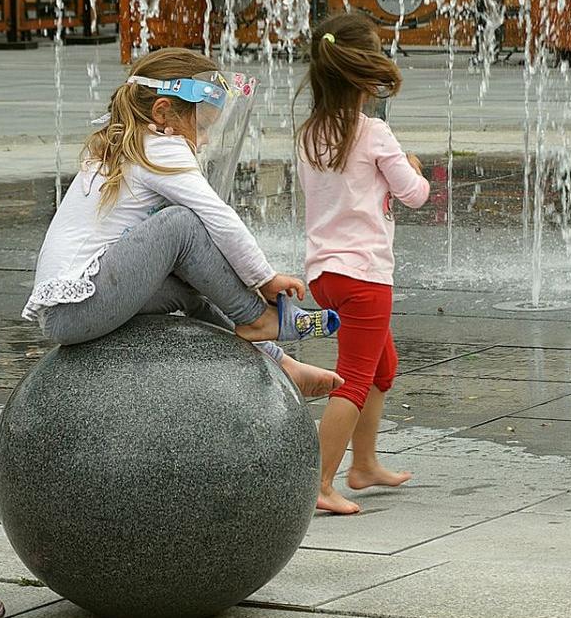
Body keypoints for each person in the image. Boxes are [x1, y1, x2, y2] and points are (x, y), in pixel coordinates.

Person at [23, 48, 342, 397]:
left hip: (70, 314)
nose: (204, 139)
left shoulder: (131, 144)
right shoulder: (159, 145)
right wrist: (263, 278)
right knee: (181, 224)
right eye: (202, 126)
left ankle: (278, 362)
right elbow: (216, 214)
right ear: (163, 113)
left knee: (193, 288)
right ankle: (256, 317)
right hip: (79, 306)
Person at [297, 14, 432, 514]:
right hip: (365, 275)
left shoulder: (310, 133)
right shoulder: (374, 133)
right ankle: (321, 481)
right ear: (364, 75)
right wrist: (414, 169)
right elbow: (414, 195)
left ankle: (365, 464)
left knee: (382, 367)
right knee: (354, 378)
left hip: (325, 275)